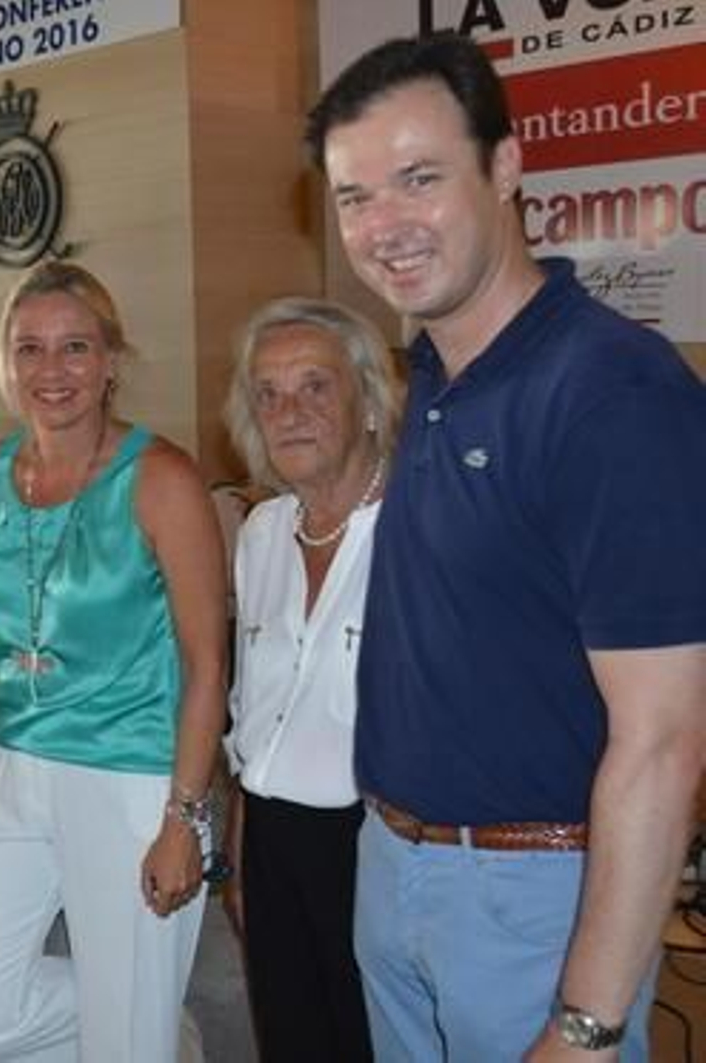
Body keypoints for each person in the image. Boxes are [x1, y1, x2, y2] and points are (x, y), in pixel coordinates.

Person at [308, 32, 706, 1061]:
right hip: (394, 874)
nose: (382, 227)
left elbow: (664, 740)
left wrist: (583, 1023)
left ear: (507, 167)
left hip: (532, 904)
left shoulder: (612, 390)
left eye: (418, 179)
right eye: (354, 197)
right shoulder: (434, 373)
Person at [0, 261, 229, 1061]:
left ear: (112, 360)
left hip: (130, 777)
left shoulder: (162, 479)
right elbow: (25, 601)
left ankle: (142, 1023)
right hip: (11, 769)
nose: (53, 371)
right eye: (30, 349)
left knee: (124, 1040)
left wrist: (184, 817)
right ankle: (148, 1018)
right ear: (4, 363)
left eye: (75, 347)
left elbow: (207, 664)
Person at [220, 297, 398, 1063]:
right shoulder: (259, 533)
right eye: (269, 393)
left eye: (315, 386)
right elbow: (252, 711)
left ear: (367, 401)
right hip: (270, 839)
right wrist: (238, 848)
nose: (289, 411)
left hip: (377, 845)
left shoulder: (418, 527)